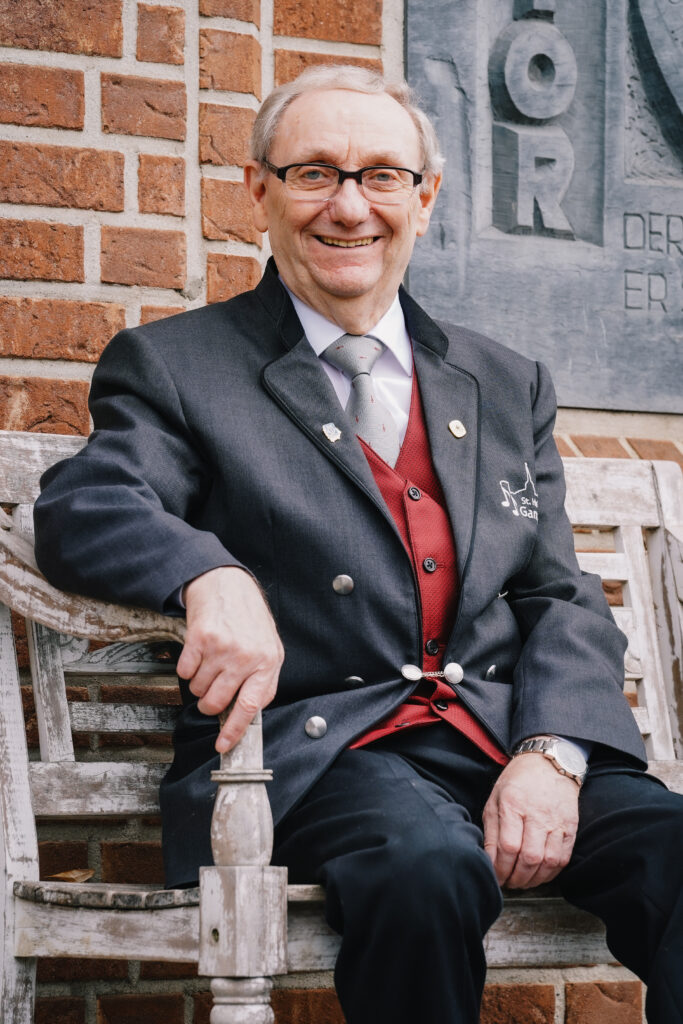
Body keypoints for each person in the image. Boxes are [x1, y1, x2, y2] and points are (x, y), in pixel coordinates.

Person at [33, 66, 683, 1024]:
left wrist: (552, 752)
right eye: (314, 174)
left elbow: (557, 594)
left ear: (425, 198)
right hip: (315, 756)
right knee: (426, 870)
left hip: (500, 738)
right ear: (258, 191)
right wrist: (205, 572)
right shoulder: (178, 365)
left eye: (382, 176)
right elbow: (85, 503)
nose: (349, 207)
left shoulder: (504, 381)